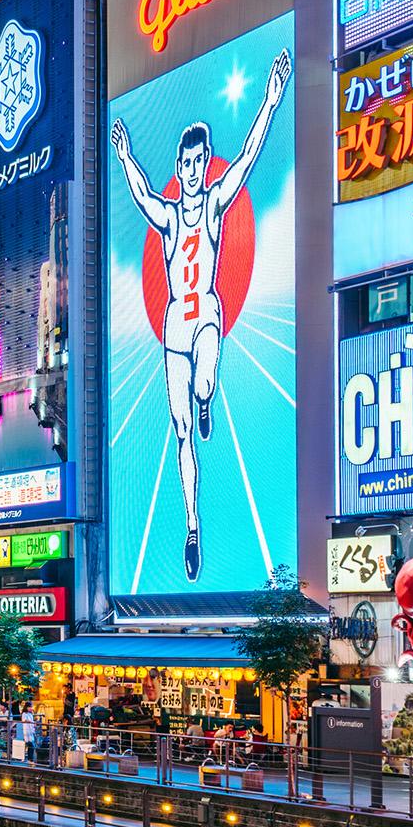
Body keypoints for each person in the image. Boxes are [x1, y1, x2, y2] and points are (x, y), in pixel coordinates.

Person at [109, 47, 290, 582]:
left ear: (205, 160)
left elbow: (250, 158)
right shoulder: (168, 217)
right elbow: (141, 195)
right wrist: (124, 156)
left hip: (206, 314)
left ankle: (207, 397)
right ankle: (192, 525)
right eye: (184, 165)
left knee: (205, 382)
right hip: (173, 329)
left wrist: (271, 101)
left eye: (198, 162)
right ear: (178, 167)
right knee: (182, 431)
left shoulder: (212, 205)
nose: (191, 172)